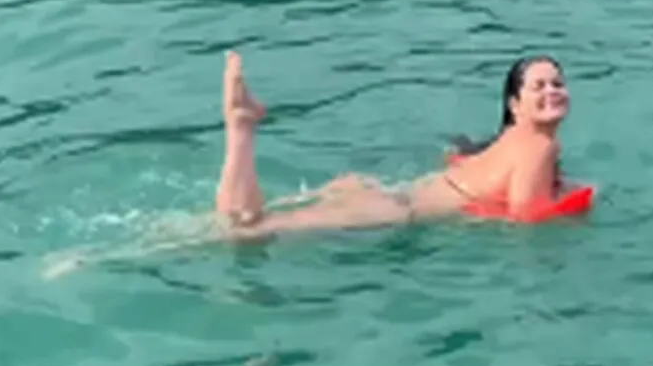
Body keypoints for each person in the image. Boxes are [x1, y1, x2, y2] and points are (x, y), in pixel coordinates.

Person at [214, 50, 571, 241]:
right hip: (393, 211)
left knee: (236, 223)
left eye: (557, 84)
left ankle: (241, 127)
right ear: (514, 104)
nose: (552, 91)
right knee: (245, 232)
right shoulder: (539, 146)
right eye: (539, 87)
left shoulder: (505, 142)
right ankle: (241, 127)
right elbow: (525, 218)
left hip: (384, 192)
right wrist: (576, 211)